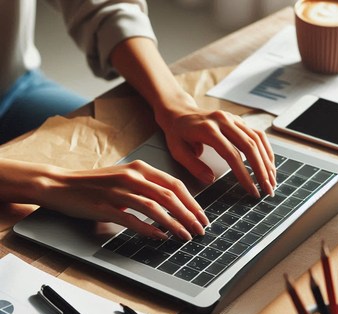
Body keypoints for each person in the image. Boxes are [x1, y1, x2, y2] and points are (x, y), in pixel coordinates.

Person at [0, 0, 276, 241]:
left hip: (13, 89)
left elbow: (104, 5)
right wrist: (51, 183)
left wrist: (176, 105)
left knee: (134, 160)